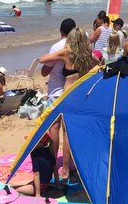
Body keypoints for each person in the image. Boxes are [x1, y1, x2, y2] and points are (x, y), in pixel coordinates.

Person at [38, 26, 95, 181]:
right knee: (70, 133)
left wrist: (55, 55)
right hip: (81, 96)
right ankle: (67, 168)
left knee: (61, 130)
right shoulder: (87, 55)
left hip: (68, 96)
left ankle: (60, 168)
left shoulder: (67, 53)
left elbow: (43, 59)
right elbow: (98, 65)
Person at [40, 18, 75, 170]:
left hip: (55, 90)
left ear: (61, 31)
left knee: (54, 127)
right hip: (73, 92)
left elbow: (45, 71)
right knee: (68, 131)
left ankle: (53, 162)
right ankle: (68, 164)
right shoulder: (78, 47)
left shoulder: (56, 47)